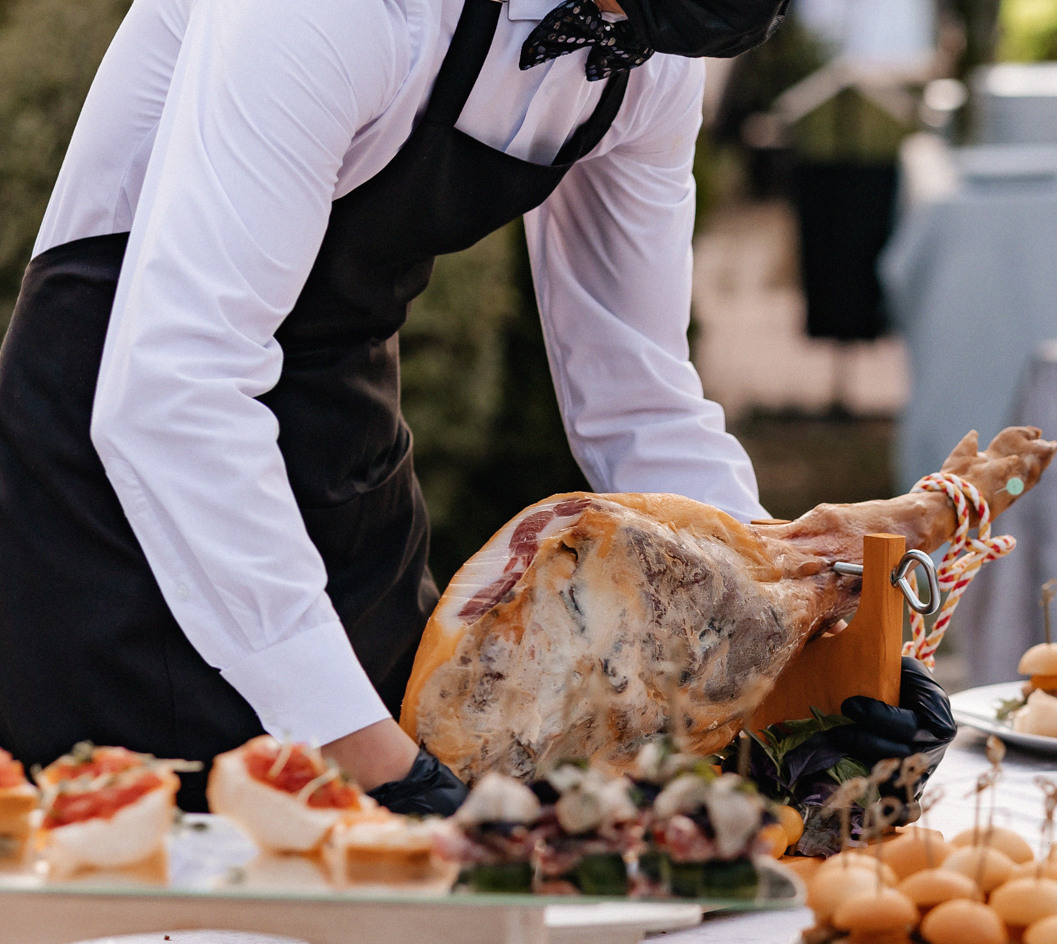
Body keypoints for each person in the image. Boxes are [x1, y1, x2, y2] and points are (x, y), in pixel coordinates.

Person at [0, 0, 793, 814]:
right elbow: (175, 382)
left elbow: (640, 401)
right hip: (125, 479)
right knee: (151, 899)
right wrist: (366, 754)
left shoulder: (651, 62)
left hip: (349, 469)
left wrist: (797, 635)